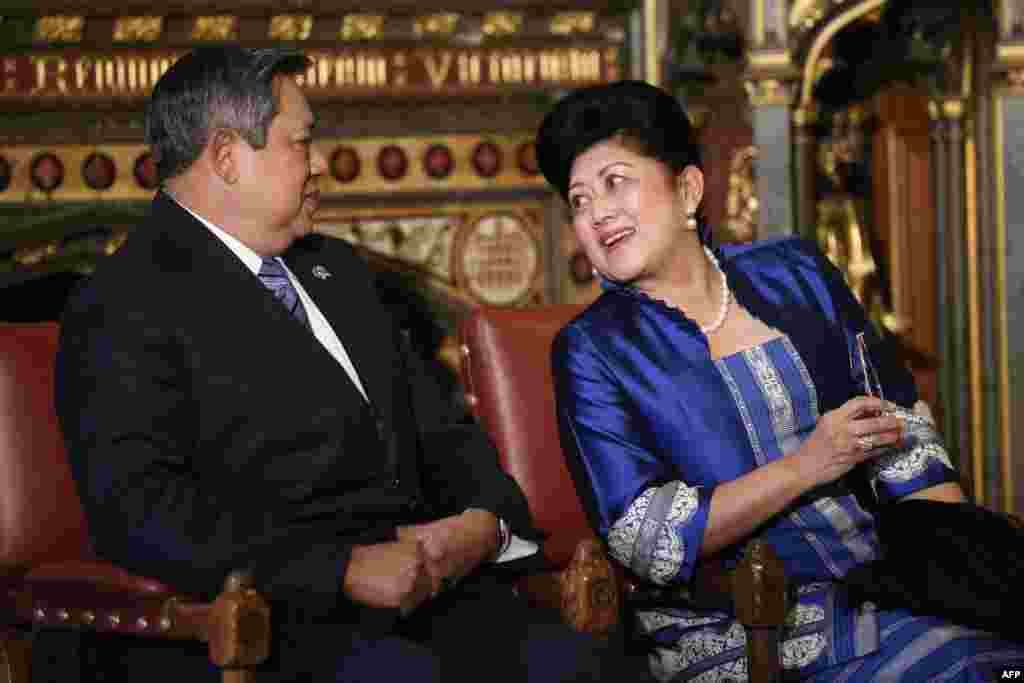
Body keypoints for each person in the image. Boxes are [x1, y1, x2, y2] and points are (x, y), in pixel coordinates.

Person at [55, 46, 648, 682]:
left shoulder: (337, 274)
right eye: (301, 143)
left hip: (436, 602)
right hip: (275, 622)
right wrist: (342, 571)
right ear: (226, 156)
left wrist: (484, 524)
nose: (320, 167)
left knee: (596, 663)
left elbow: (446, 433)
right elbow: (142, 514)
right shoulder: (124, 300)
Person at [537, 80, 1024, 681]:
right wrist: (806, 465)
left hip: (893, 589)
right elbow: (646, 538)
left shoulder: (796, 272)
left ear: (687, 188)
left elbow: (903, 430)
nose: (597, 213)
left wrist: (971, 564)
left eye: (615, 182)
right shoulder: (592, 351)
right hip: (739, 627)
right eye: (579, 200)